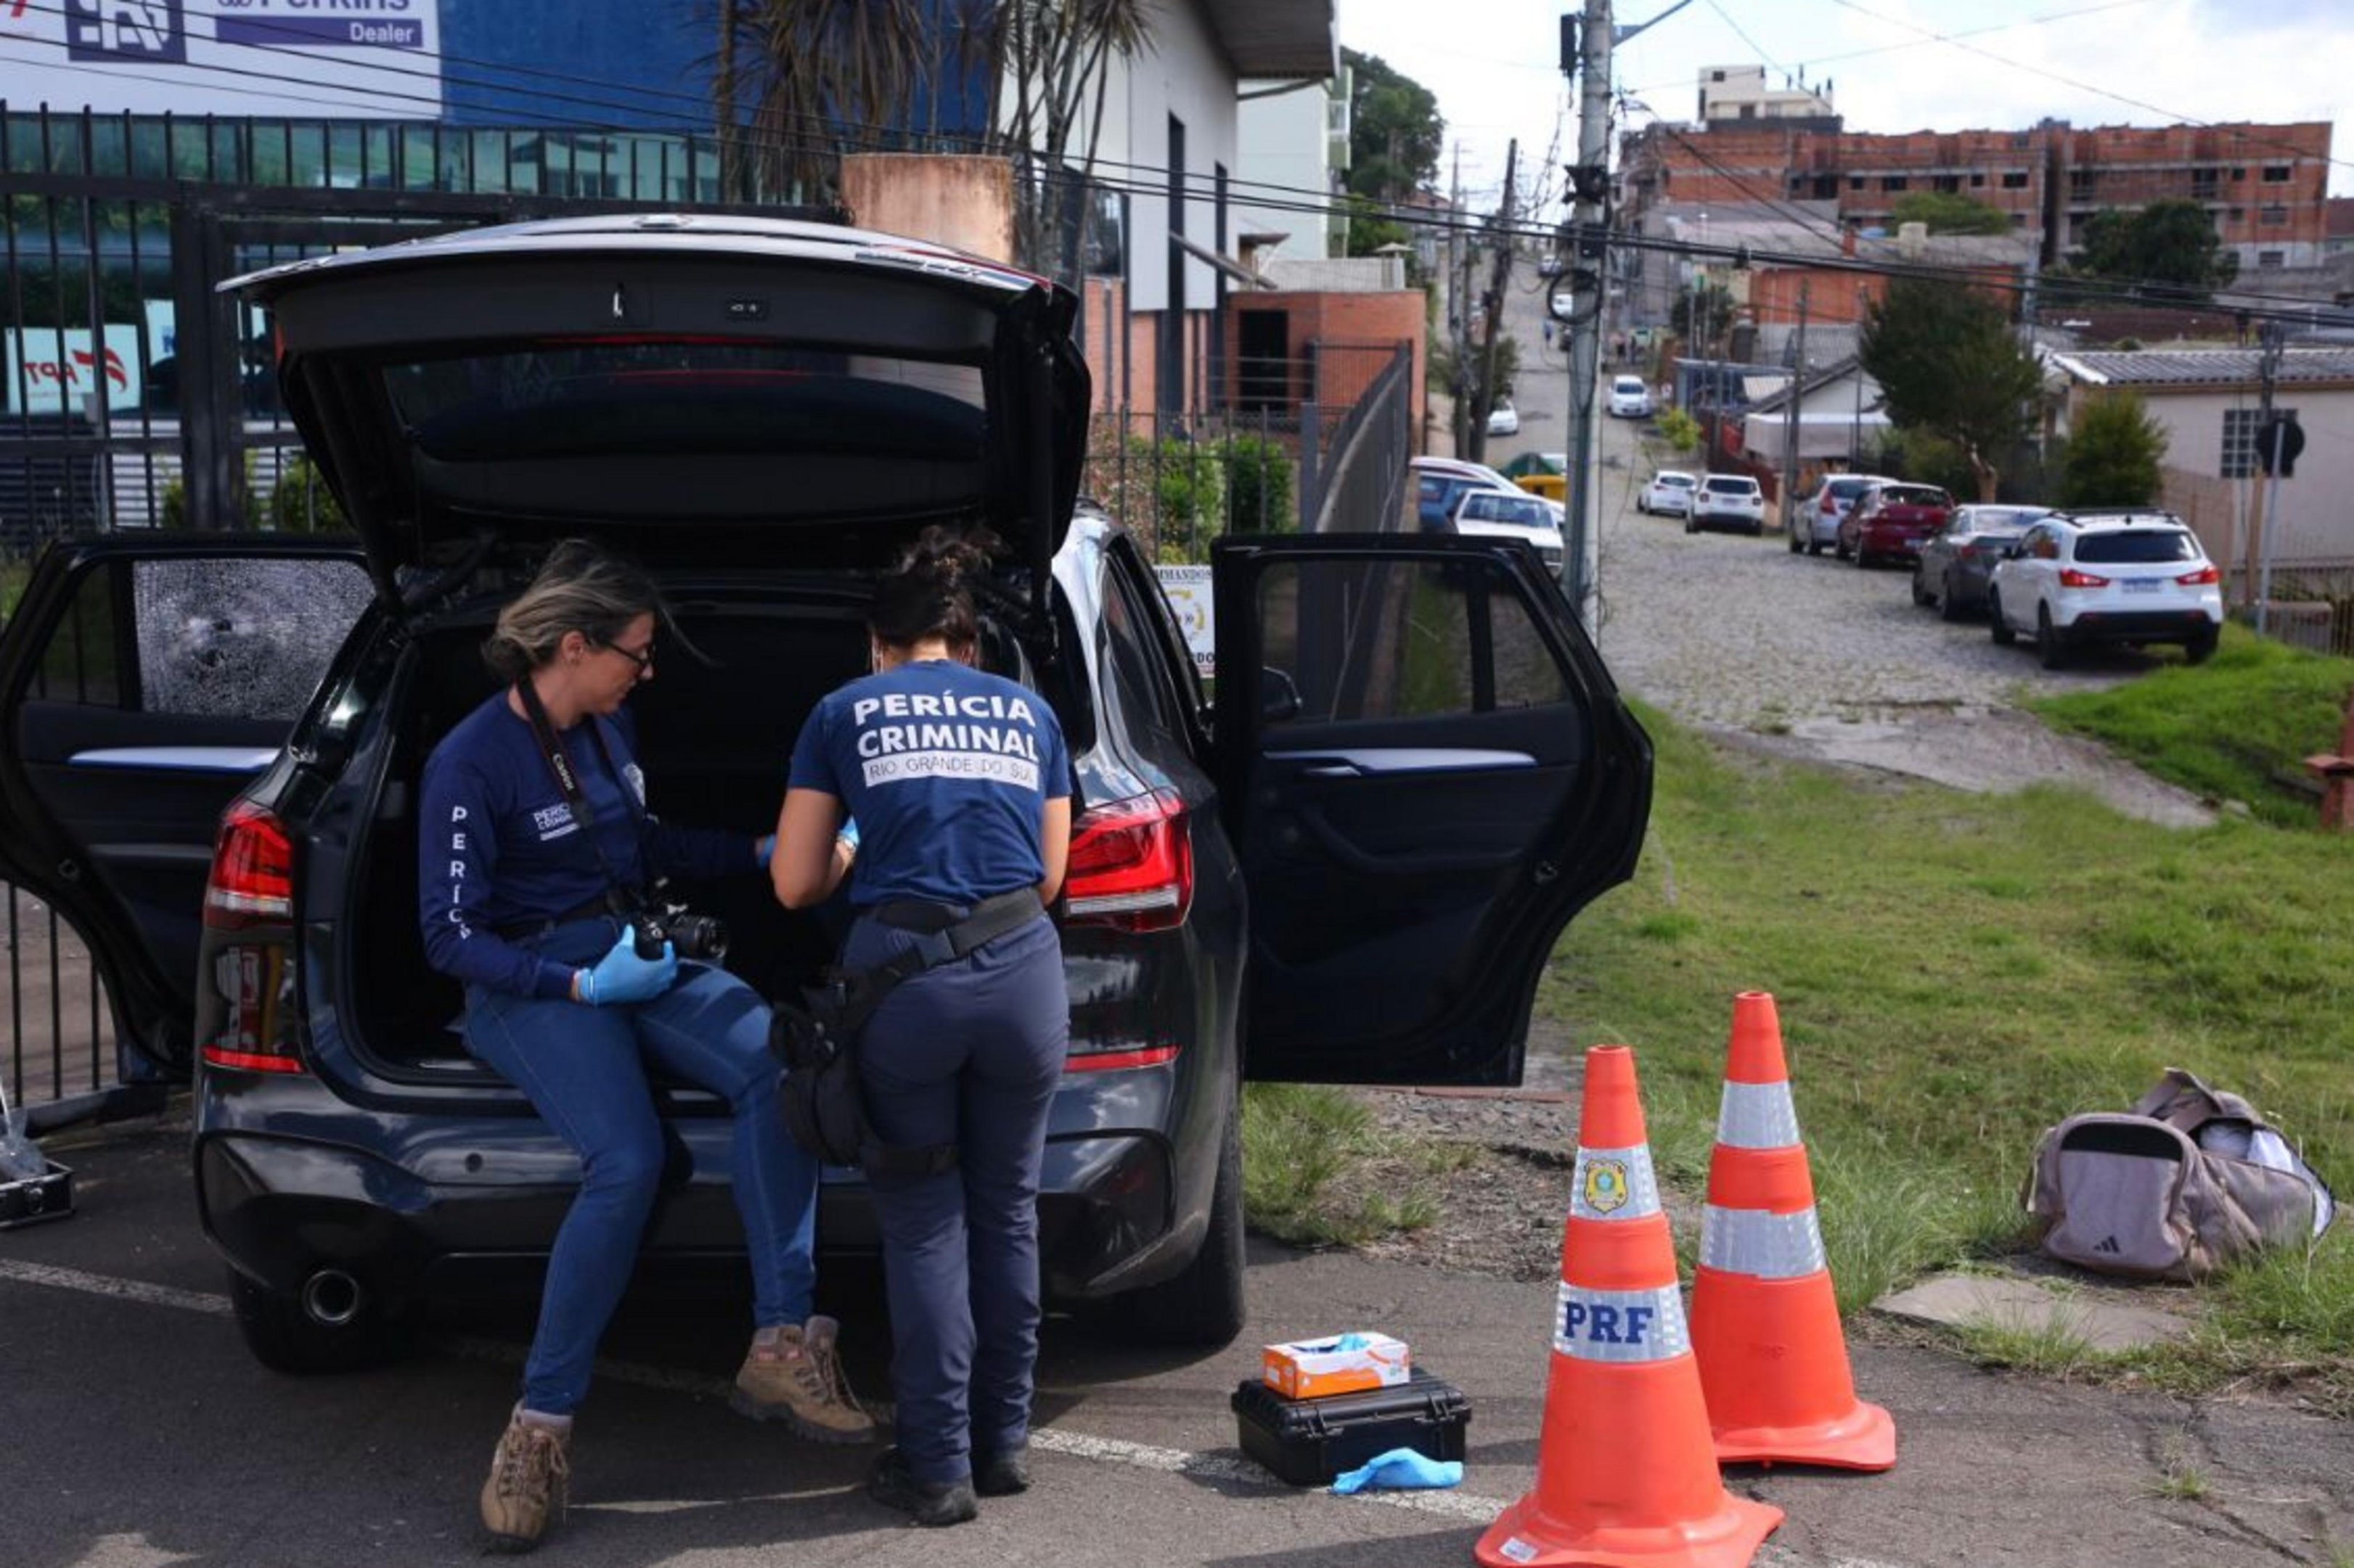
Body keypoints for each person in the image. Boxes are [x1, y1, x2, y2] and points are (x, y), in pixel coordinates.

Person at [418, 539, 875, 1554]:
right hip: (529, 981)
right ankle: (538, 1428)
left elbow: (645, 846)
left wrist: (757, 853)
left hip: (628, 951)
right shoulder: (469, 760)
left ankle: (780, 1339)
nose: (647, 668)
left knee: (780, 1063)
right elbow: (449, 937)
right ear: (574, 647)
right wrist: (575, 983)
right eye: (635, 650)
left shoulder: (605, 727)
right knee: (627, 1161)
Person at [771, 526, 1071, 1528]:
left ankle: (936, 1468)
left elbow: (794, 882)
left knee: (926, 1223)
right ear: (969, 644)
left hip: (908, 993)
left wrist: (862, 842)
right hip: (1026, 979)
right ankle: (1005, 1445)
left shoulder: (841, 713)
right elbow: (1050, 877)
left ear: (878, 644)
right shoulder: (1031, 714)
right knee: (1008, 1210)